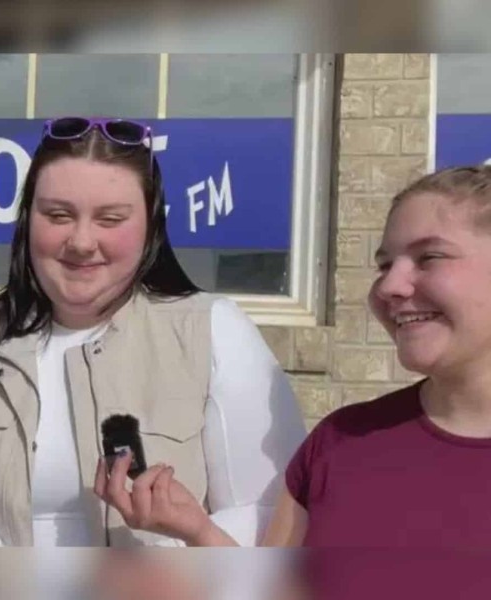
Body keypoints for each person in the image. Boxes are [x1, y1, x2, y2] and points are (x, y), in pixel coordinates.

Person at [0, 116, 306, 547]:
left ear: (151, 228)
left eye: (110, 219)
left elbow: (269, 508)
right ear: (28, 219)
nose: (82, 241)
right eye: (58, 215)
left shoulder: (214, 331)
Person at [96, 165, 491, 548]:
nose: (390, 285)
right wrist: (197, 531)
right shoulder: (340, 444)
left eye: (430, 258)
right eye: (384, 264)